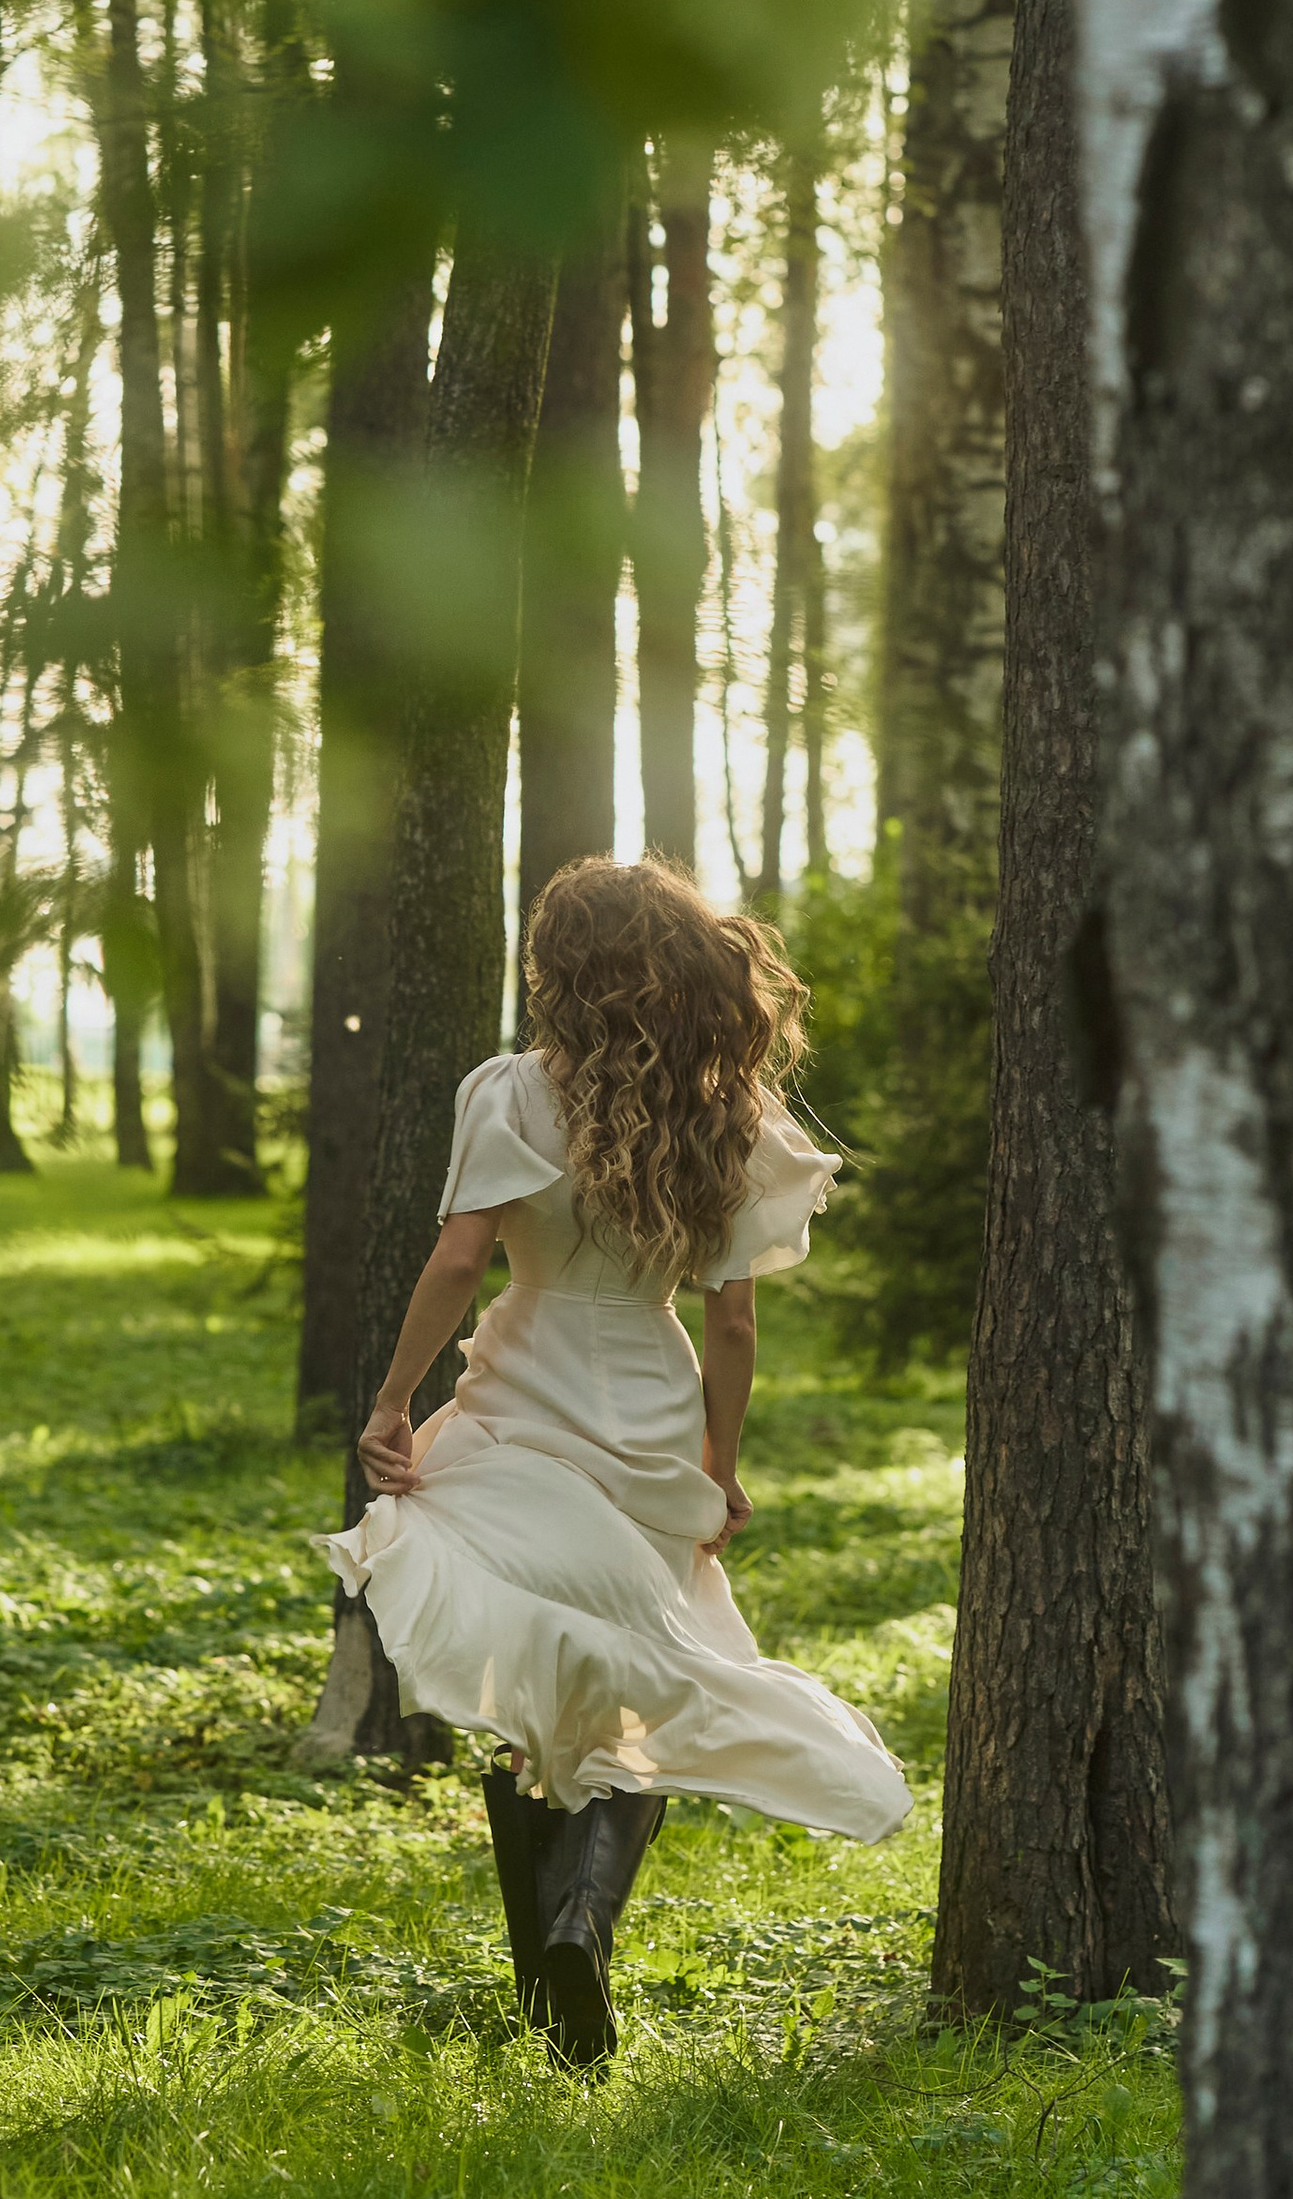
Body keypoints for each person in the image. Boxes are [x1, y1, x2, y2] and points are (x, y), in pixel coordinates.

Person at [323, 856, 911, 2071]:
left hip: (520, 1392)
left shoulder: (511, 1093)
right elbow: (734, 1323)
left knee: (530, 1681)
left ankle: (550, 1962)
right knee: (643, 1677)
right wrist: (718, 1465)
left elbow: (457, 1263)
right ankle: (579, 1933)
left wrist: (393, 1400)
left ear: (558, 968)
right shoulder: (730, 1112)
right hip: (647, 1403)